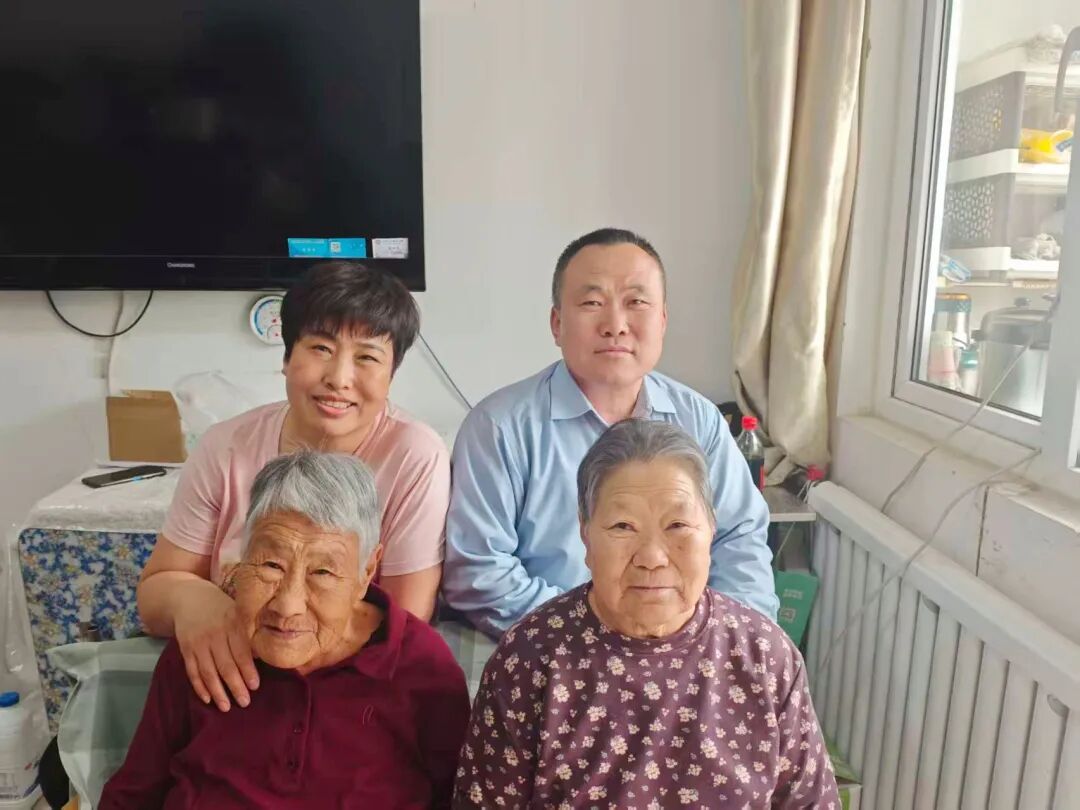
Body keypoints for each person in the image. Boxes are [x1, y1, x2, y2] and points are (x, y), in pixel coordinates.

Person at [453, 420, 837, 809]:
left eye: (677, 525)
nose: (652, 557)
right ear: (586, 535)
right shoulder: (530, 658)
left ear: (711, 530)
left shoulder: (765, 656)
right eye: (623, 526)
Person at [138, 262, 450, 713]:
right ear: (286, 358)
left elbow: (406, 620)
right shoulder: (226, 446)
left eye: (367, 357)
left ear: (391, 374)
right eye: (321, 348)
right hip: (229, 689)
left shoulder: (415, 456)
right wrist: (194, 599)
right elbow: (154, 598)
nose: (339, 378)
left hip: (348, 696)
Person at [442, 228, 776, 638]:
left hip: (687, 650)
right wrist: (599, 640)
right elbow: (480, 572)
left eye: (636, 302)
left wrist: (721, 642)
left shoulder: (699, 420)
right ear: (557, 323)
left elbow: (740, 542)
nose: (615, 325)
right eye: (592, 303)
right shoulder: (500, 428)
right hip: (553, 650)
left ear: (663, 320)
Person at [102, 452, 469, 810]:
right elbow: (134, 794)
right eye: (271, 565)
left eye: (322, 572)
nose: (287, 605)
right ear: (242, 557)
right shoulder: (207, 640)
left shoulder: (419, 665)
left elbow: (458, 797)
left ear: (366, 573)